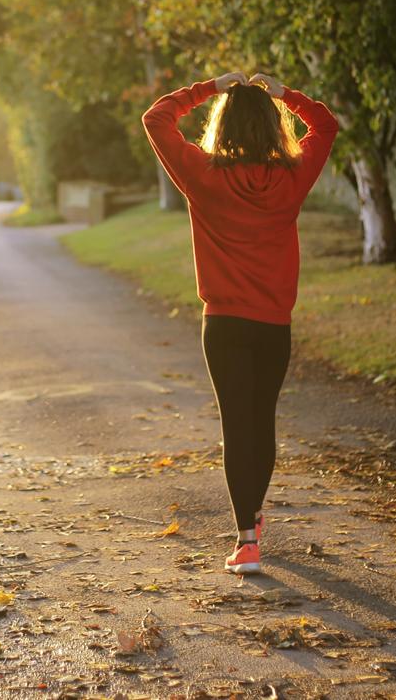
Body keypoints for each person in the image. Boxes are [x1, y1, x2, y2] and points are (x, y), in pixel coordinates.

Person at [141, 71, 339, 575]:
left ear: (222, 126)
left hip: (224, 324)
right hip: (273, 324)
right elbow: (327, 125)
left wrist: (209, 87)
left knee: (236, 424)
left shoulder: (202, 174)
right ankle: (251, 515)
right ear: (274, 128)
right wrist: (285, 95)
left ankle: (247, 539)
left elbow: (156, 118)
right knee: (262, 421)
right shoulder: (292, 177)